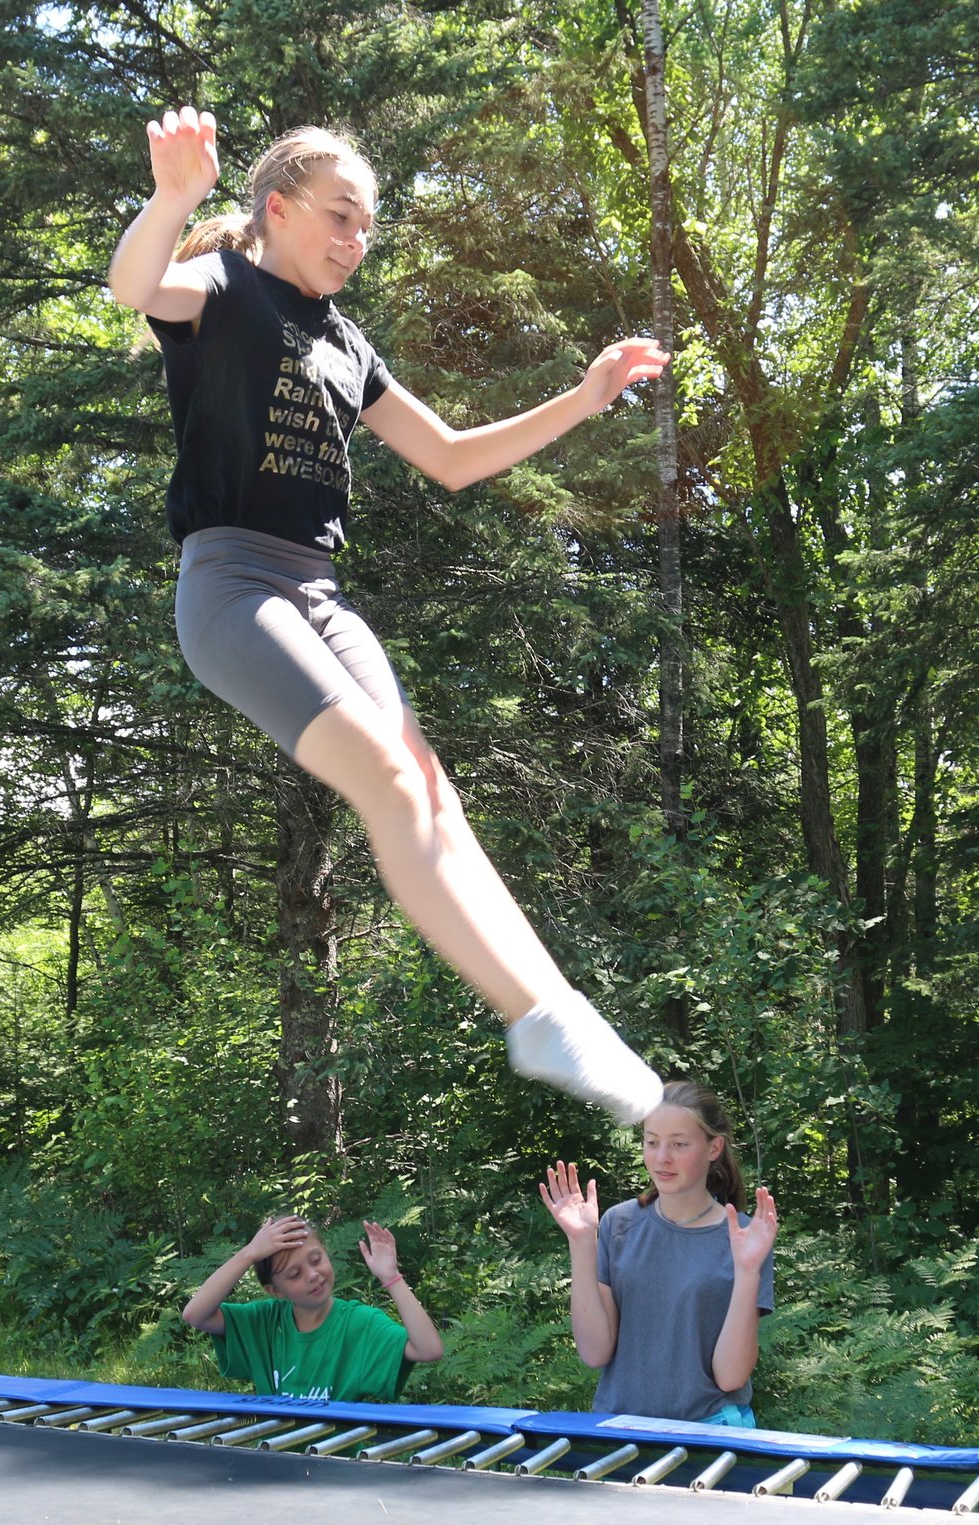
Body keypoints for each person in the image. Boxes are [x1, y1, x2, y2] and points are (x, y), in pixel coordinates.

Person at [108, 106, 671, 1124]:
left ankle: (559, 1009)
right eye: (337, 216)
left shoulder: (344, 341)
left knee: (428, 789)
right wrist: (172, 196)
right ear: (275, 209)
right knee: (381, 773)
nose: (354, 240)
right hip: (232, 585)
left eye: (367, 225)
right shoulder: (223, 288)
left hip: (317, 589)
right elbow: (134, 285)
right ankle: (529, 1015)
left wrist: (583, 398)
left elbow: (451, 458)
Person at [541, 1081, 779, 1426]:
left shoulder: (747, 1238)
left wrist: (746, 1273)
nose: (662, 1157)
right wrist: (581, 1242)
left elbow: (730, 1378)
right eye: (651, 1142)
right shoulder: (618, 1224)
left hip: (710, 1435)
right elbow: (594, 1353)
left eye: (679, 1144)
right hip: (620, 1431)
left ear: (714, 1148)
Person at [183, 1215, 441, 1402]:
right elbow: (195, 1314)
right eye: (294, 1274)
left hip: (336, 1468)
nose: (313, 1275)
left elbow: (428, 1349)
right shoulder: (262, 1322)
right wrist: (248, 1254)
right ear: (275, 1290)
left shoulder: (359, 1323)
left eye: (316, 1259)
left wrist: (392, 1278)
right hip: (272, 1463)